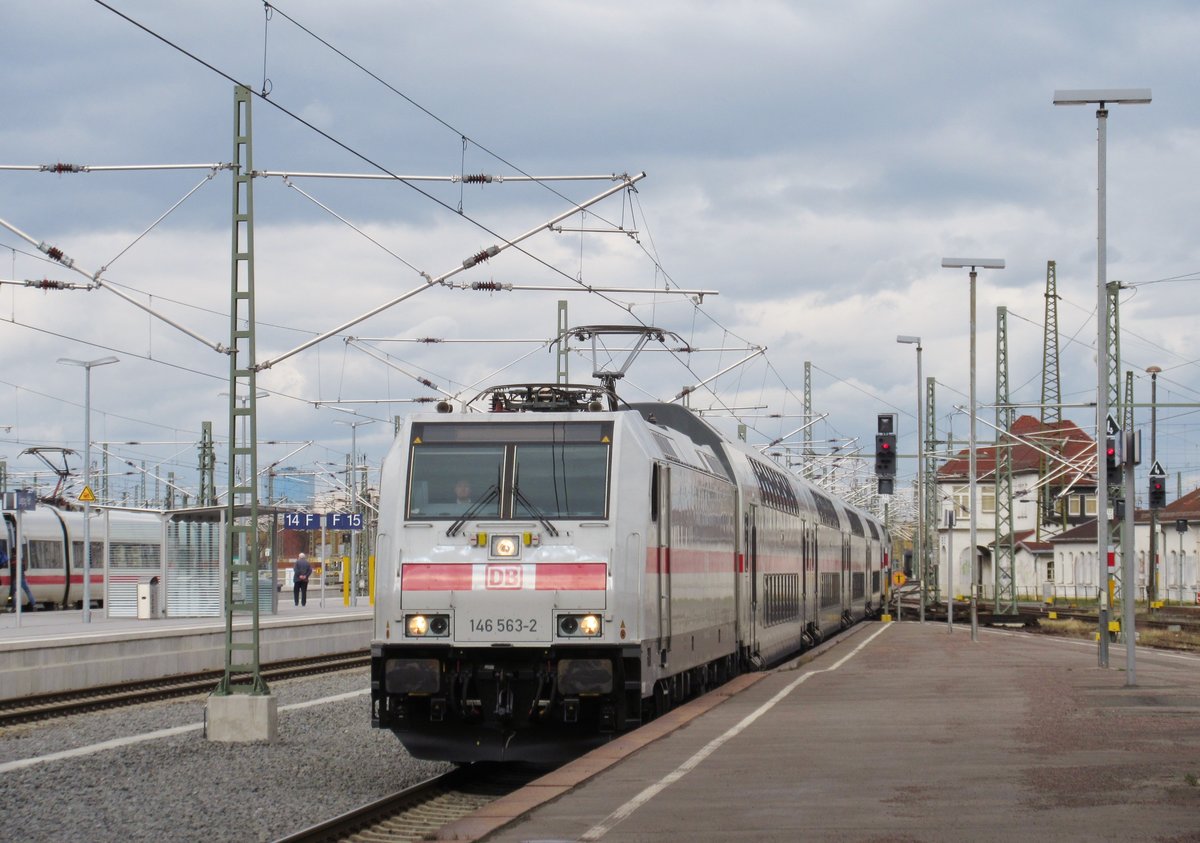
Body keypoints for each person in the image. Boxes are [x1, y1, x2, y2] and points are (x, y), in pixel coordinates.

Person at [1, 546, 36, 612]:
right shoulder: (21, 559)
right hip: (23, 578)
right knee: (28, 591)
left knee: (14, 593)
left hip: (15, 579)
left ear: (12, 553)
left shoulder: (11, 560)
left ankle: (15, 607)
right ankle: (34, 604)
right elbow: (25, 569)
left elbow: (11, 570)